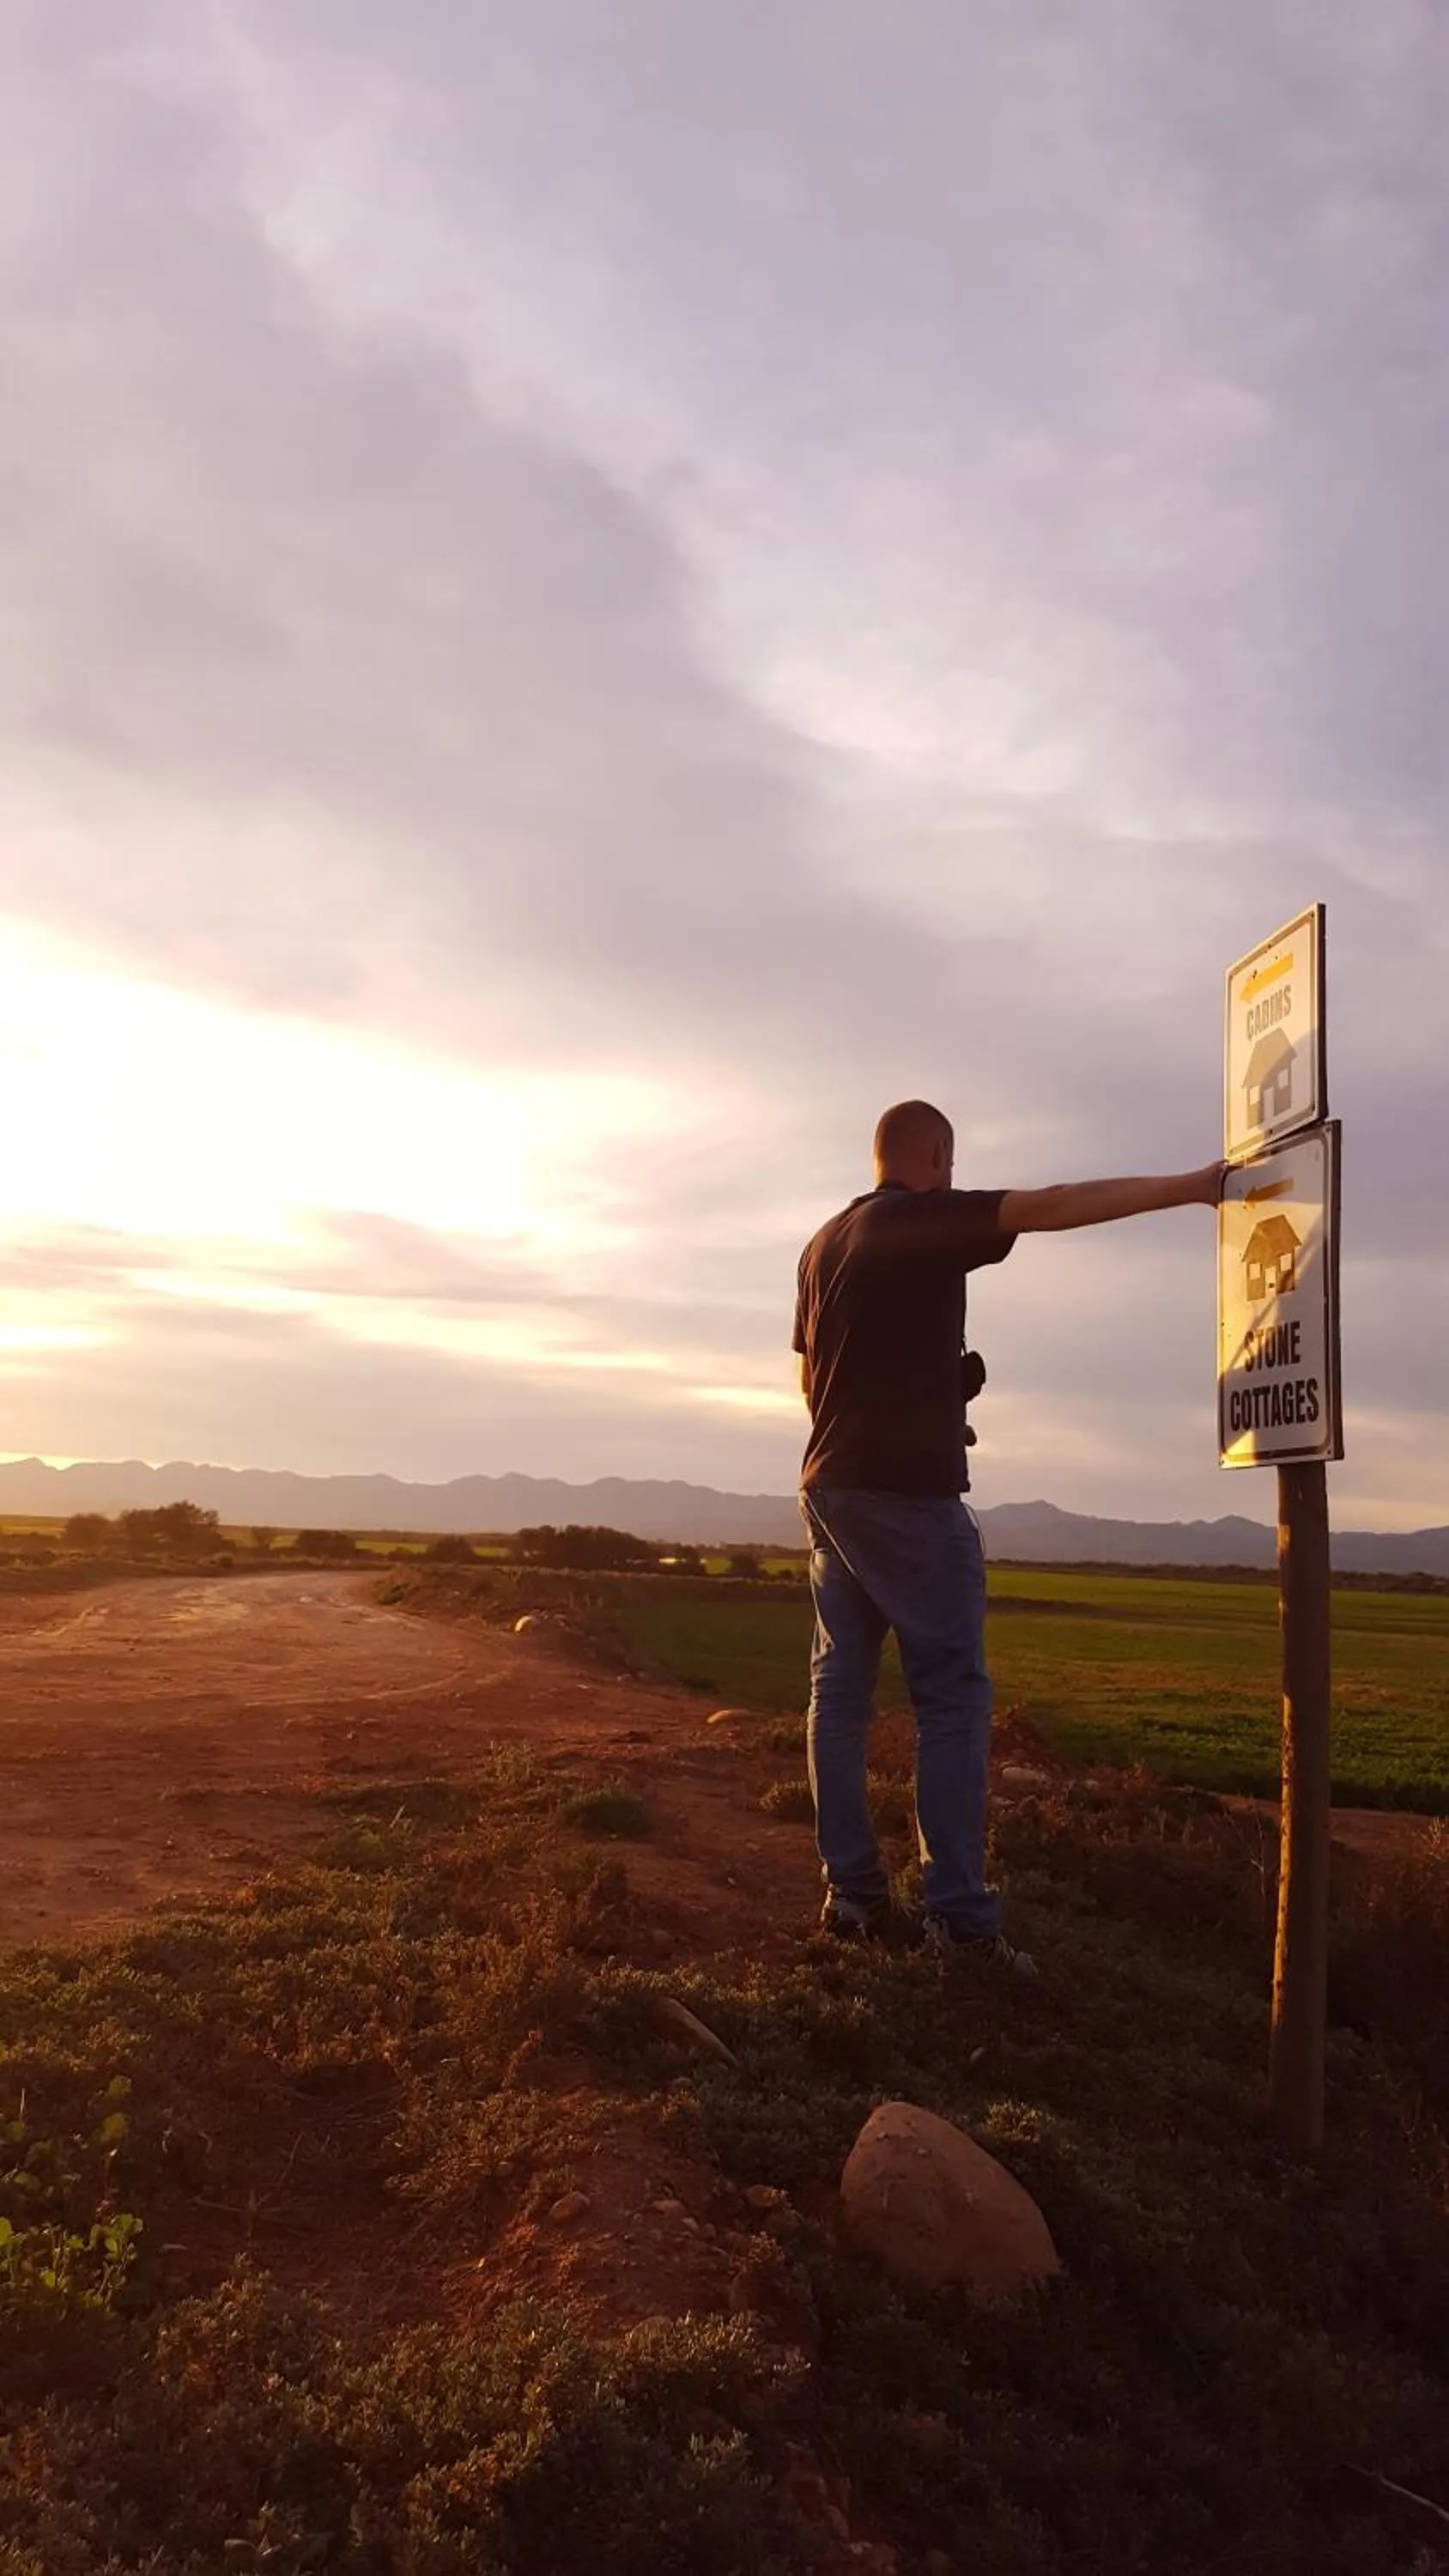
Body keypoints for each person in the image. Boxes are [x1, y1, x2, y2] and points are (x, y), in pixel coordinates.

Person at [792, 1098, 1224, 1971]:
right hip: (904, 1498)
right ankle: (959, 1924)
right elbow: (1050, 1203)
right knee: (950, 1697)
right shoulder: (921, 1216)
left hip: (827, 1486)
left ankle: (852, 1899)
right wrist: (1193, 1187)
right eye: (950, 1166)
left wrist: (916, 1413)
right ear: (937, 1159)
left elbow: (809, 1373)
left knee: (838, 1696)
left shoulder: (824, 1243)